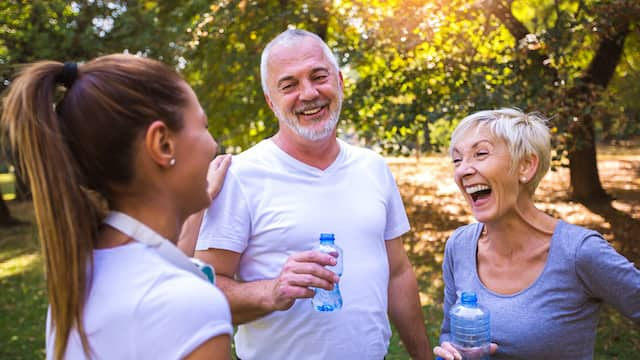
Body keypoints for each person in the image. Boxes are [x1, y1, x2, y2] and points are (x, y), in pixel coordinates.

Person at [185, 29, 433, 359]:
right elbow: (204, 294)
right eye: (289, 85)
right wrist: (271, 291)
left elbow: (398, 272)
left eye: (319, 77)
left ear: (340, 82)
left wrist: (423, 356)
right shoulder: (240, 177)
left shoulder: (372, 167)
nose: (309, 93)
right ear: (271, 101)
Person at [1, 54, 234, 359]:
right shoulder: (190, 305)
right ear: (163, 144)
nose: (213, 143)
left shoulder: (77, 276)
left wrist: (199, 204)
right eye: (203, 126)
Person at [433, 108, 640, 360]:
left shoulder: (580, 252)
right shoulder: (459, 246)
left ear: (526, 166)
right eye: (457, 160)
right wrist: (451, 351)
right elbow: (448, 334)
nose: (463, 170)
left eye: (481, 154)